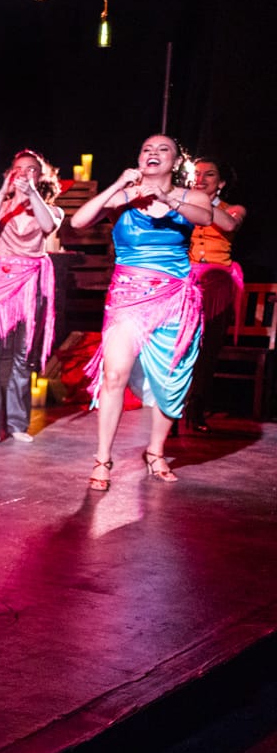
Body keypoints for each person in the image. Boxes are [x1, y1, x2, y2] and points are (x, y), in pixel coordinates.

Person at [67, 134, 228, 488]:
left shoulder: (191, 197)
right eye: (146, 149)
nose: (153, 153)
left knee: (170, 381)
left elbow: (205, 218)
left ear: (176, 162)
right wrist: (118, 185)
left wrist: (167, 199)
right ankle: (103, 459)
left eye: (162, 149)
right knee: (114, 374)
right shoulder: (124, 197)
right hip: (127, 297)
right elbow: (79, 222)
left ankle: (155, 452)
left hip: (173, 297)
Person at [0, 150, 64, 445]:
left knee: (23, 356)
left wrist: (31, 193)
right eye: (18, 168)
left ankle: (18, 424)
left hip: (30, 285)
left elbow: (48, 227)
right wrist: (2, 192)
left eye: (31, 169)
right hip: (0, 284)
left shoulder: (51, 210)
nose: (23, 173)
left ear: (41, 176)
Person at [183, 157, 248, 431]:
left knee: (207, 348)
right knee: (180, 345)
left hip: (217, 282)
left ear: (220, 183)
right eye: (196, 174)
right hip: (187, 281)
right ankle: (172, 408)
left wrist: (197, 202)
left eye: (208, 175)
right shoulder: (183, 205)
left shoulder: (233, 209)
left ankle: (196, 407)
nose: (200, 179)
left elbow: (230, 225)